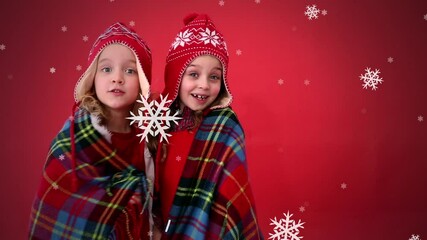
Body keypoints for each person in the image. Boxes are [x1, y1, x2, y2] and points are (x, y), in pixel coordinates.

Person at [28, 22, 156, 239]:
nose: (117, 78)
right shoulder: (72, 142)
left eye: (130, 70)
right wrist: (131, 191)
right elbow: (60, 201)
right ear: (92, 79)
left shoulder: (151, 138)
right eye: (106, 69)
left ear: (142, 82)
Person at [149, 13, 263, 239]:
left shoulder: (224, 127)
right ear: (175, 76)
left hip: (207, 231)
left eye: (214, 77)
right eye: (193, 74)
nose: (204, 85)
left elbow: (233, 196)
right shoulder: (155, 119)